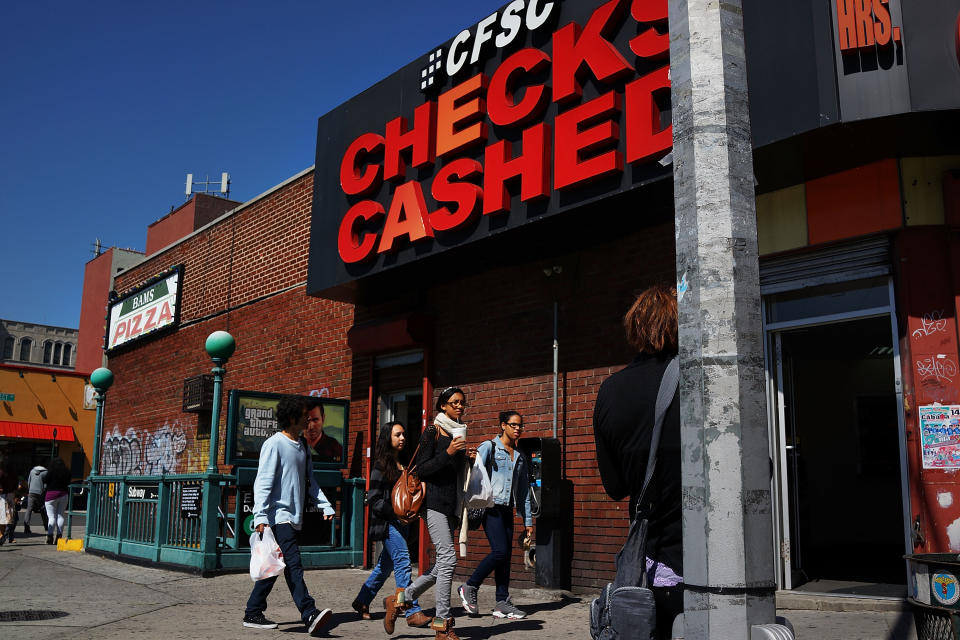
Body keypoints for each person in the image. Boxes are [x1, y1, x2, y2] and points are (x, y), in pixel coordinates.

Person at [593, 284, 683, 639]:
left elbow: (615, 487)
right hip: (711, 564)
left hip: (652, 570)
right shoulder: (704, 379)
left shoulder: (610, 391)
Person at [386, 386, 476, 640]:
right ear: (443, 406)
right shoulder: (432, 431)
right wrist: (448, 453)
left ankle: (399, 600)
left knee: (441, 566)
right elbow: (421, 469)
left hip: (450, 504)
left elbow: (452, 472)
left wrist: (466, 458)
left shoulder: (459, 432)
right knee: (449, 560)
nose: (459, 406)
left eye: (462, 403)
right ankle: (442, 623)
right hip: (433, 502)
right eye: (454, 402)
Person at [243, 395, 335, 636]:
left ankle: (253, 611)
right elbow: (262, 483)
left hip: (293, 518)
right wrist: (260, 516)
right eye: (305, 414)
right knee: (293, 564)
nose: (308, 418)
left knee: (274, 566)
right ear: (292, 416)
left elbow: (310, 482)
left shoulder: (303, 445)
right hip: (277, 517)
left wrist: (325, 505)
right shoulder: (274, 444)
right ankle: (309, 613)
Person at [350, 422, 430, 631]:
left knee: (384, 567)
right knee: (403, 562)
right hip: (388, 523)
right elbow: (374, 500)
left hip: (403, 524)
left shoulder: (404, 464)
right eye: (397, 435)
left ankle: (362, 600)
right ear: (388, 438)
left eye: (404, 434)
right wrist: (396, 511)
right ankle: (411, 610)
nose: (402, 438)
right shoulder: (380, 466)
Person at [458, 410, 534, 620]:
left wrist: (528, 521)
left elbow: (524, 492)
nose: (517, 429)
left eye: (520, 425)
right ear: (503, 425)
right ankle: (470, 586)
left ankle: (502, 602)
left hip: (507, 509)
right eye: (513, 425)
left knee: (506, 557)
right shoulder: (489, 447)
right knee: (499, 552)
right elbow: (474, 470)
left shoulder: (520, 457)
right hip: (490, 508)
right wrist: (471, 459)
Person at [44, 457, 71, 545]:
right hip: (63, 494)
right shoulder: (67, 472)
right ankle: (59, 537)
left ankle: (50, 536)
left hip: (51, 495)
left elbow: (45, 480)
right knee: (60, 515)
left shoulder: (50, 471)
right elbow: (68, 482)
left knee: (51, 517)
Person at [23, 465, 49, 536]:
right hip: (40, 493)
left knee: (29, 509)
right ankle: (46, 527)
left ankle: (26, 527)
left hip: (31, 492)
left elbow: (29, 482)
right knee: (42, 509)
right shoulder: (46, 472)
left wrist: (30, 490)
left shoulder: (32, 471)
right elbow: (46, 484)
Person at [0, 457, 17, 545]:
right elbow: (15, 487)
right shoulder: (14, 474)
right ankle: (2, 535)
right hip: (10, 496)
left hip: (2, 496)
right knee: (6, 518)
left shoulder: (1, 473)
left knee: (2, 517)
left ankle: (1, 535)